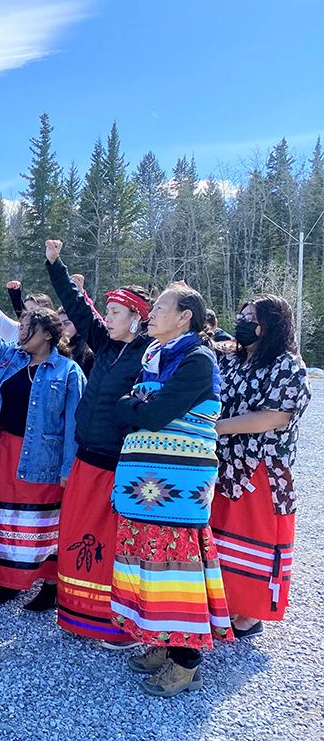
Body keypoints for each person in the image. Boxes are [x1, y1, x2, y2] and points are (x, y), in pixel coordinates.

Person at [109, 283, 233, 697]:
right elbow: (131, 407)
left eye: (161, 307)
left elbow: (155, 413)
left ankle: (187, 662)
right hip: (149, 483)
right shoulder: (156, 358)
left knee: (177, 568)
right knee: (150, 560)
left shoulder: (197, 360)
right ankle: (163, 643)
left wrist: (136, 406)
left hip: (178, 487)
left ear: (185, 317)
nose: (151, 314)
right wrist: (136, 406)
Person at [0, 285, 84, 612]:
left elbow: (74, 427)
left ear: (48, 335)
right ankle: (10, 580)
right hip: (5, 452)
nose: (20, 333)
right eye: (20, 327)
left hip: (43, 458)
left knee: (42, 525)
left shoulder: (68, 372)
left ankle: (49, 585)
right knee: (6, 519)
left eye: (27, 328)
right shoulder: (9, 358)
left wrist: (67, 469)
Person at [45, 239, 151, 646]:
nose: (106, 318)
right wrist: (56, 265)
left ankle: (115, 622)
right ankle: (78, 614)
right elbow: (77, 307)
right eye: (106, 312)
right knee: (77, 534)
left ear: (137, 319)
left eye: (115, 313)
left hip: (118, 462)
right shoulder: (106, 344)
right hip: (87, 455)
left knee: (109, 542)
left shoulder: (149, 355)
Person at [210, 294, 311, 638]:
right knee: (219, 536)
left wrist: (219, 427)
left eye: (251, 316)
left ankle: (249, 614)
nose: (243, 321)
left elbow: (275, 416)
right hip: (224, 464)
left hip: (261, 467)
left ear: (271, 324)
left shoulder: (288, 365)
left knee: (254, 540)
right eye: (241, 314)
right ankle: (222, 604)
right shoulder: (230, 359)